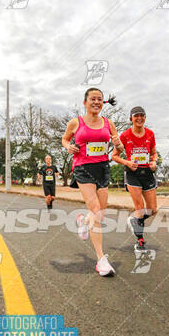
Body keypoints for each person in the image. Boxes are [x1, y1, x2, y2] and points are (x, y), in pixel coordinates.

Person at [62, 87, 123, 277]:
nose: (96, 102)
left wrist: (119, 146)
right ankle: (101, 260)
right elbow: (64, 139)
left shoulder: (108, 123)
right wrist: (69, 146)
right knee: (96, 210)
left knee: (100, 215)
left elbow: (117, 146)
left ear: (102, 103)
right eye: (92, 99)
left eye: (99, 99)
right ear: (85, 102)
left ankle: (83, 220)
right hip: (83, 169)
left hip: (103, 168)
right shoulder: (76, 122)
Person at [112, 106, 158, 251]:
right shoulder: (125, 135)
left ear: (145, 118)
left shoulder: (150, 134)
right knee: (139, 208)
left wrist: (154, 162)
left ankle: (134, 221)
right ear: (131, 119)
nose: (139, 118)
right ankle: (140, 241)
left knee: (152, 209)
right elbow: (114, 156)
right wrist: (127, 163)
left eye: (142, 115)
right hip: (133, 173)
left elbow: (154, 153)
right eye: (136, 116)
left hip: (148, 174)